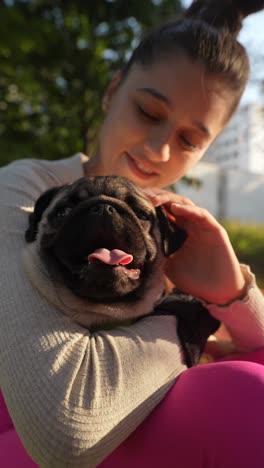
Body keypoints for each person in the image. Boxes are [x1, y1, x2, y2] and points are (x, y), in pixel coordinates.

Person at [1, 0, 264, 467]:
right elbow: (64, 424)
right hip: (24, 430)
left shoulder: (181, 227)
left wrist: (233, 293)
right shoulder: (22, 188)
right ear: (112, 90)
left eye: (188, 140)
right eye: (147, 111)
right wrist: (184, 322)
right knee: (241, 396)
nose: (159, 150)